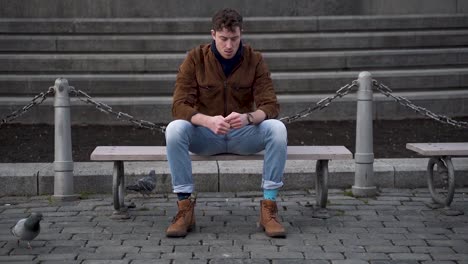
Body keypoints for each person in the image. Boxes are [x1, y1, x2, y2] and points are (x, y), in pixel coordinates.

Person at [165, 8, 287, 238]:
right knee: (175, 129)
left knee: (277, 129)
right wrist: (207, 121)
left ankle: (269, 208)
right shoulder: (195, 58)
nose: (229, 45)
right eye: (223, 39)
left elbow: (271, 106)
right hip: (206, 136)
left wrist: (248, 118)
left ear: (241, 34)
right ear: (213, 34)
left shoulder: (255, 59)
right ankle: (184, 208)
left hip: (243, 135)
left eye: (234, 38)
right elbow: (179, 105)